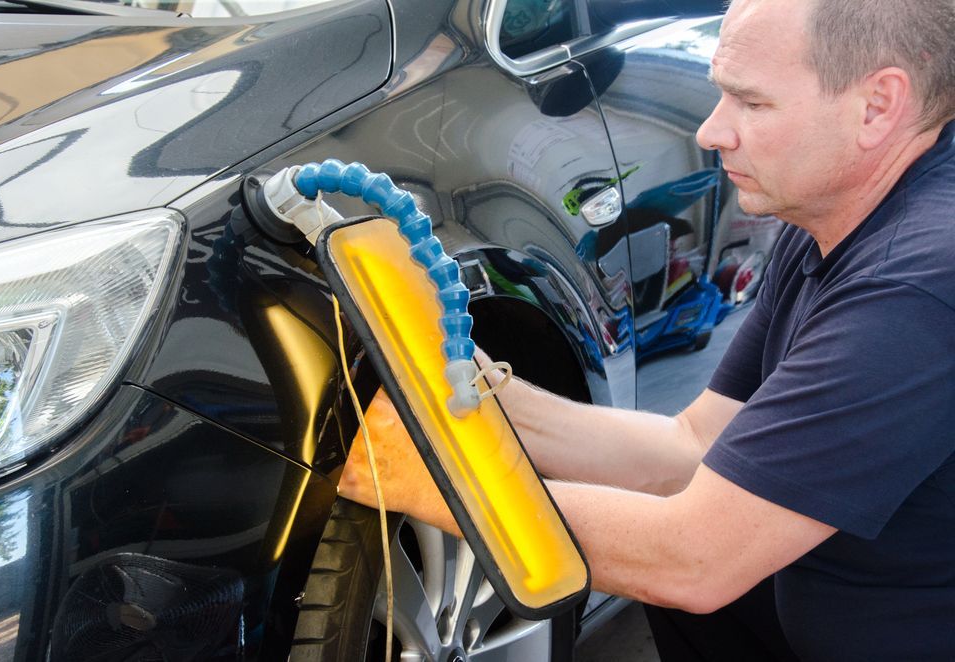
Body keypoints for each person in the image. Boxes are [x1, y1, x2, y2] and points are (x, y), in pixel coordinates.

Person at [338, 0, 955, 658]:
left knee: (687, 580)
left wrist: (428, 482)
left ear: (878, 105)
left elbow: (696, 557)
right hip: (829, 613)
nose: (714, 131)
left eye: (752, 103)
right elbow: (694, 446)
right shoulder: (840, 219)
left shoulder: (915, 285)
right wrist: (485, 398)